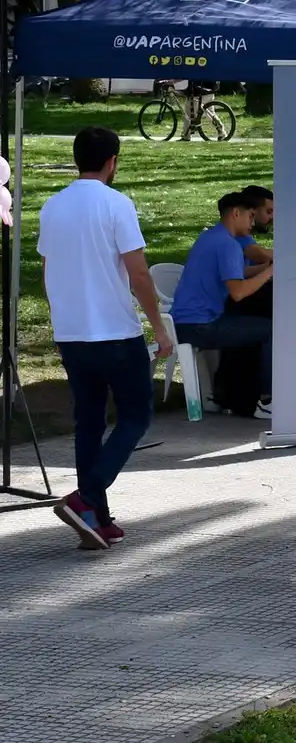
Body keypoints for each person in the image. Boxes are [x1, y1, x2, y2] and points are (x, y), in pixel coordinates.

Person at [38, 127, 172, 550]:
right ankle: (88, 497)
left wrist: (61, 322)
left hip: (73, 333)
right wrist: (158, 325)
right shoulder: (117, 204)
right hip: (115, 331)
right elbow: (139, 274)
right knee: (135, 415)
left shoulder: (52, 206)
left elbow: (47, 271)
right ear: (112, 161)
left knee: (89, 422)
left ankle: (95, 517)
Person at [171, 192, 275, 419]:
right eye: (250, 216)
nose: (251, 222)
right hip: (200, 326)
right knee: (270, 329)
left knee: (249, 325)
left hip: (183, 322)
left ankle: (228, 394)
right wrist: (269, 271)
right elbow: (237, 292)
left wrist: (265, 269)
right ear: (236, 213)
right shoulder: (229, 245)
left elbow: (236, 273)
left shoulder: (211, 238)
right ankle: (266, 400)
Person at [238, 184, 275, 265]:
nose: (272, 217)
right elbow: (262, 255)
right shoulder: (237, 235)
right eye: (269, 212)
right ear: (252, 211)